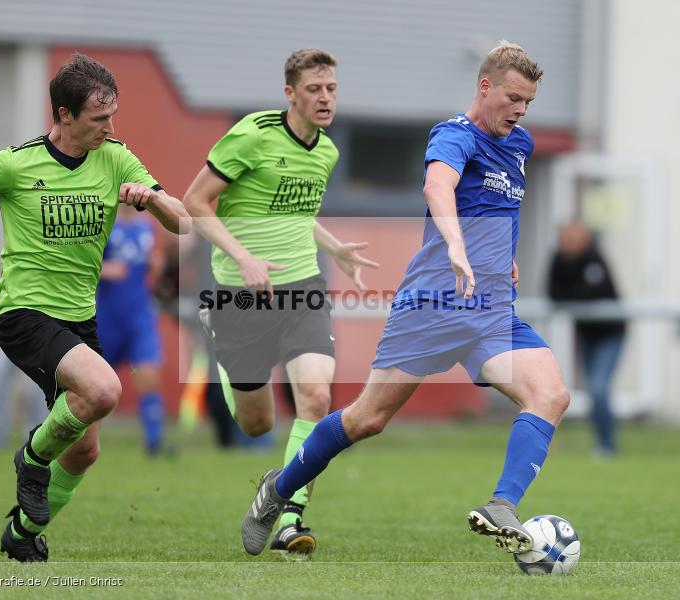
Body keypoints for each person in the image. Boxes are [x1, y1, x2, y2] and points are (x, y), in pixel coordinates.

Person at [241, 41, 570, 557]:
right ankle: (277, 491)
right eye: (512, 98)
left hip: (488, 310)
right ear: (485, 87)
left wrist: (499, 255)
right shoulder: (453, 136)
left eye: (527, 101)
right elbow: (439, 189)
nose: (520, 110)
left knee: (551, 395)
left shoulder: (521, 143)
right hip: (433, 304)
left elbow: (497, 206)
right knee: (366, 419)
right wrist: (458, 247)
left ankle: (501, 505)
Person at [0, 53, 190, 563]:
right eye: (98, 119)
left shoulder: (116, 157)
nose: (110, 128)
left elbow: (183, 222)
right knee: (105, 388)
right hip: (23, 313)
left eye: (113, 116)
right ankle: (32, 457)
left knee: (86, 451)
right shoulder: (17, 163)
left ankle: (22, 533)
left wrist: (152, 200)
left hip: (77, 319)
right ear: (63, 116)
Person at [183, 48, 378, 558]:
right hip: (240, 298)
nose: (325, 97)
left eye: (331, 88)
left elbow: (294, 214)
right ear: (290, 92)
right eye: (314, 89)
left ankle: (289, 515)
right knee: (258, 424)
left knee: (314, 398)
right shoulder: (252, 134)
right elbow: (195, 202)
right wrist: (244, 259)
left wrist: (335, 247)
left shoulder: (327, 152)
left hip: (302, 289)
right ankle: (224, 355)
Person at [548, 221, 625, 456]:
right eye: (565, 238)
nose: (569, 243)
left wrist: (574, 297)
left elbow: (596, 293)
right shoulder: (559, 260)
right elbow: (554, 294)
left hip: (610, 334)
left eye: (574, 238)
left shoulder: (595, 258)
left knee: (599, 387)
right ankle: (602, 443)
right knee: (593, 390)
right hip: (585, 334)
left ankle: (607, 444)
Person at [96, 203, 168, 456]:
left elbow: (153, 261)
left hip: (139, 315)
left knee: (148, 375)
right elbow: (80, 263)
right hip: (106, 317)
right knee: (96, 389)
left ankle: (155, 442)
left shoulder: (147, 225)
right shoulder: (101, 222)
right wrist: (104, 269)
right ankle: (84, 444)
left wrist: (154, 264)